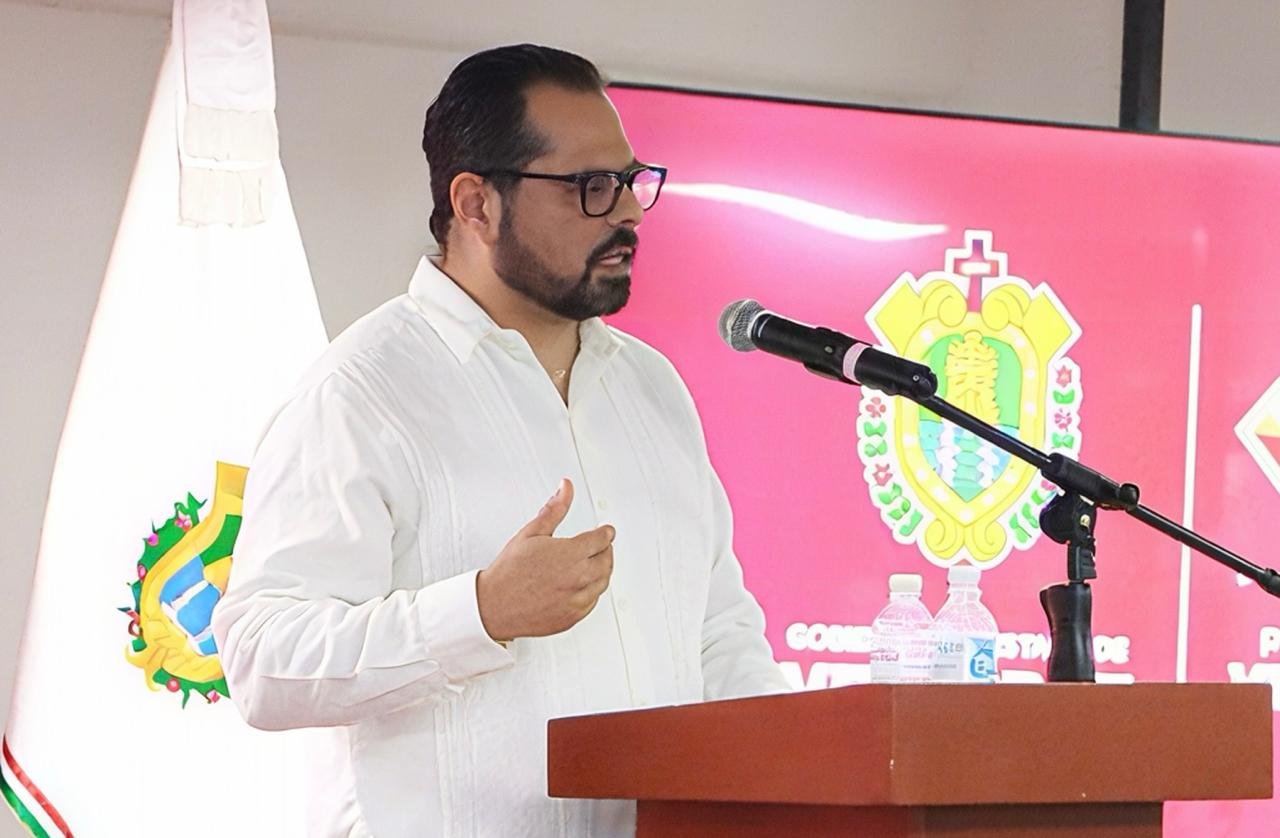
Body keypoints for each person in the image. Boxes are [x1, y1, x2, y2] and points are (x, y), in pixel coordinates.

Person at [212, 43, 789, 837]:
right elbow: (263, 659)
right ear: (477, 204)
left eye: (630, 180)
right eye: (591, 187)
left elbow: (719, 633)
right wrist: (480, 612)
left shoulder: (651, 387)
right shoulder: (361, 393)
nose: (627, 212)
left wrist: (793, 781)